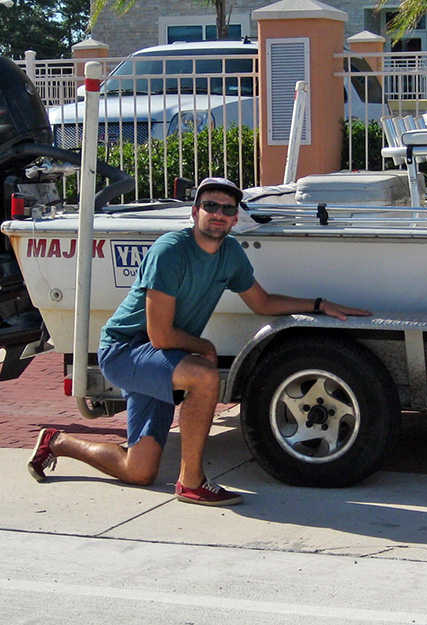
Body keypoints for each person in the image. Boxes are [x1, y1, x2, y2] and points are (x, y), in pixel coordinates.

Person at [27, 177, 370, 506]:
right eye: (210, 205)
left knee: (139, 470)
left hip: (159, 357)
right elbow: (159, 335)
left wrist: (319, 305)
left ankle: (58, 442)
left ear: (235, 219)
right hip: (125, 352)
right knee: (204, 377)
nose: (218, 213)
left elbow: (262, 303)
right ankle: (191, 483)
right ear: (195, 212)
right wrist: (204, 347)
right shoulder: (170, 252)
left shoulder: (230, 253)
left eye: (227, 208)